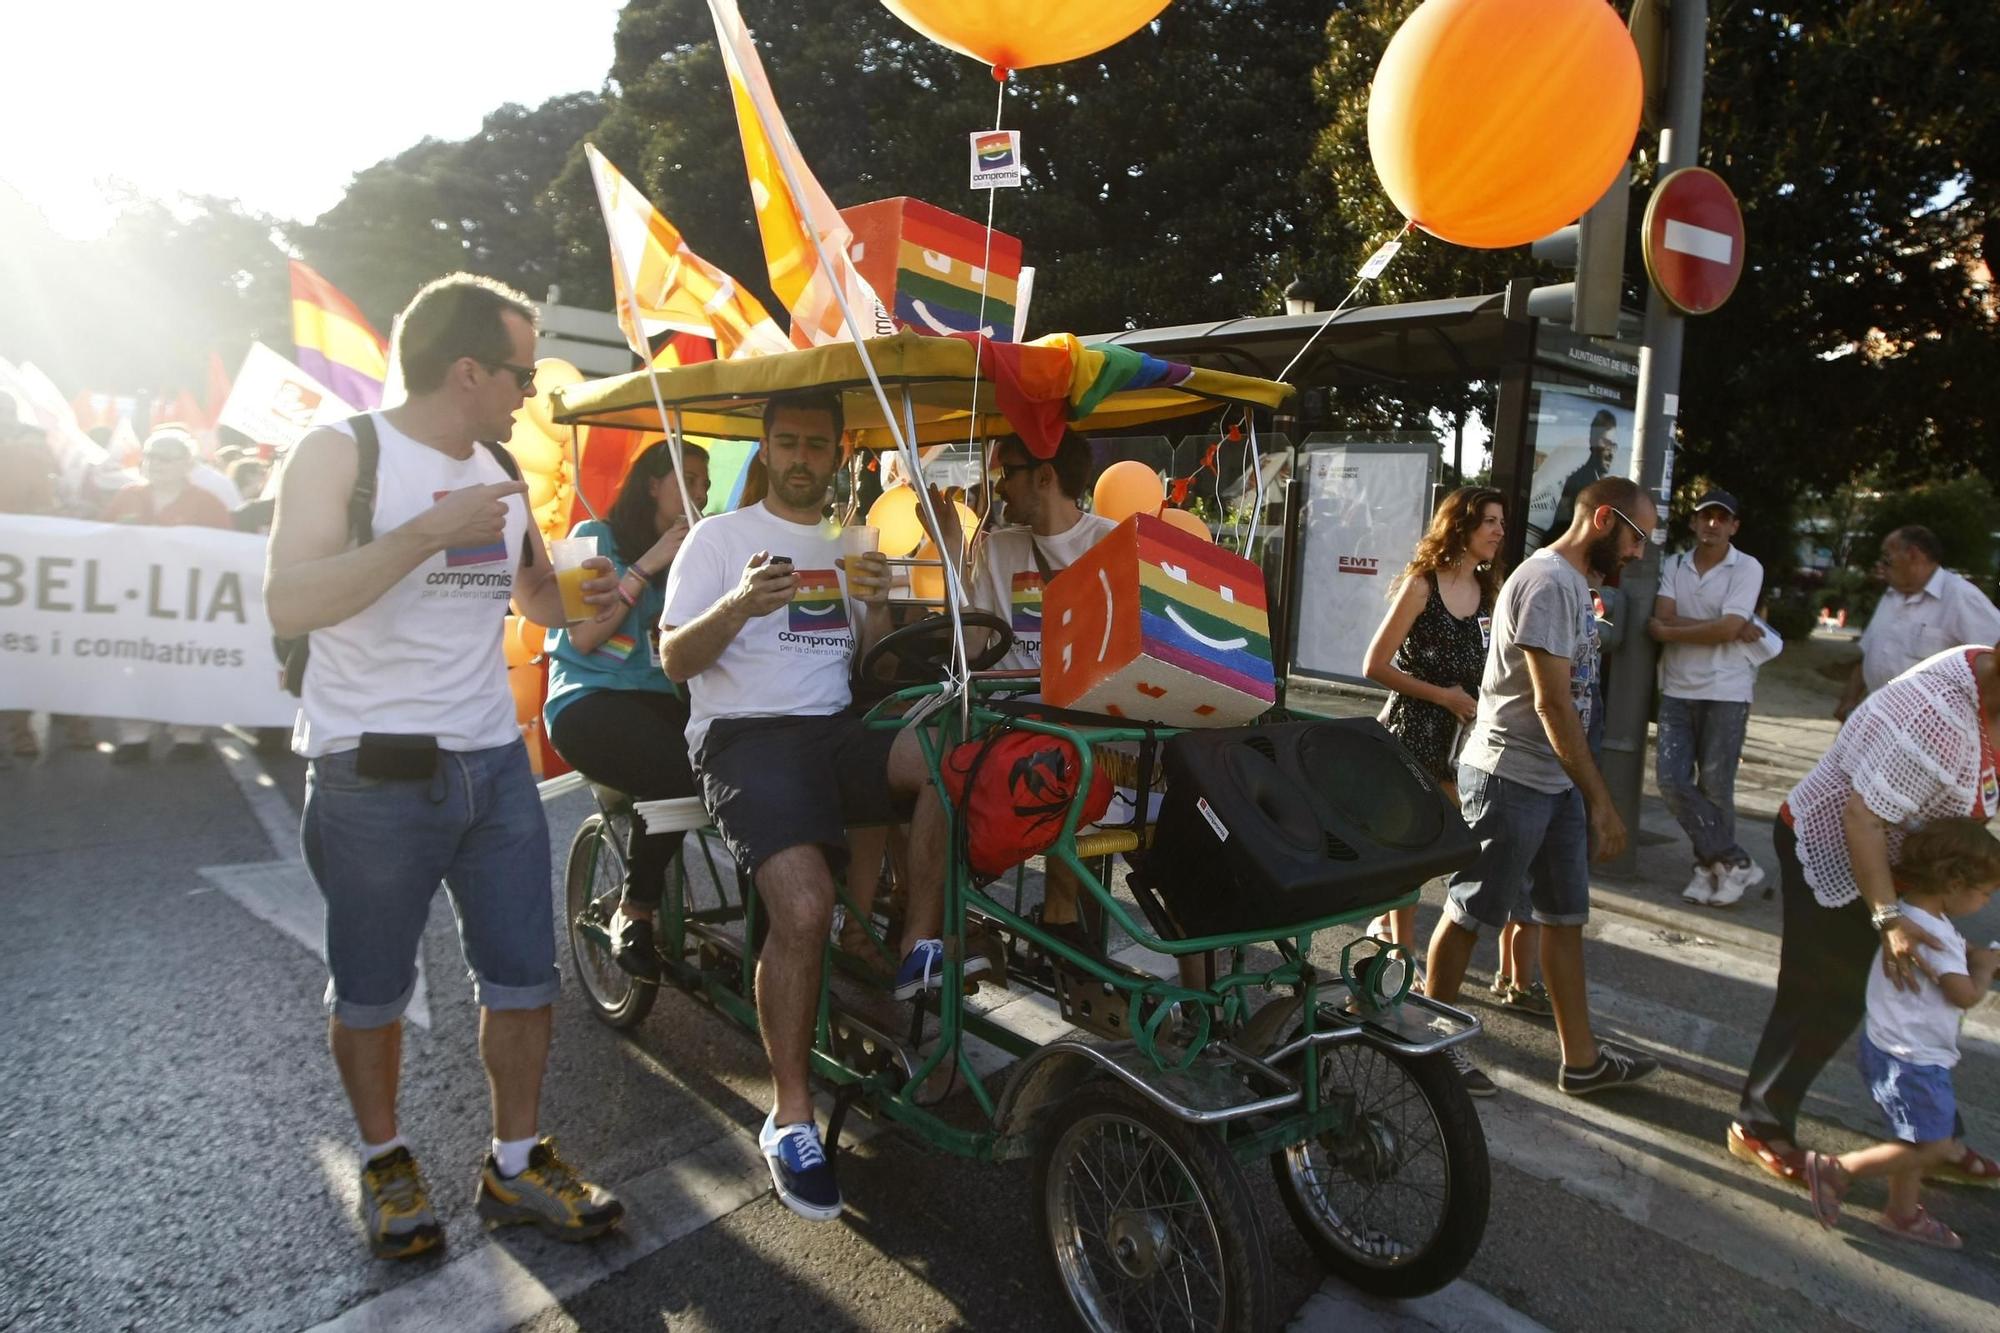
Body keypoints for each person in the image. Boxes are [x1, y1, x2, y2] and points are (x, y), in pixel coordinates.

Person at [265, 273, 622, 1260]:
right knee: (372, 989)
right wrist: (428, 529)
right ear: (467, 369)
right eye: (522, 369)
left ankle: (514, 1165)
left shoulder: (503, 461)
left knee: (523, 977)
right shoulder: (344, 453)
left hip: (493, 766)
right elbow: (288, 600)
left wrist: (582, 587)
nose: (531, 389)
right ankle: (385, 1161)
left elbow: (535, 594)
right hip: (370, 772)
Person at [660, 391, 987, 1223]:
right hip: (744, 737)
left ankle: (916, 945)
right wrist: (738, 603)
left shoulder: (848, 542)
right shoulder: (718, 537)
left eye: (817, 445)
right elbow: (672, 658)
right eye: (787, 443)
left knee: (950, 755)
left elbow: (869, 668)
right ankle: (791, 1114)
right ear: (765, 450)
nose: (802, 458)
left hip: (834, 728)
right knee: (802, 907)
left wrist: (875, 604)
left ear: (840, 453)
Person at [1421, 476, 1662, 1098]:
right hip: (1510, 776)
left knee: (1563, 917)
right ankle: (1429, 1046)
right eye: (1638, 539)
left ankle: (1580, 1062)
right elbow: (1554, 705)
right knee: (1473, 910)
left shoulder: (1577, 585)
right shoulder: (1549, 581)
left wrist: (1583, 792)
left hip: (1553, 779)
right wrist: (1602, 802)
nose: (1638, 555)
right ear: (1604, 520)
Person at [1730, 638, 2000, 1190]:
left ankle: (1932, 1139)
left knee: (1919, 1003)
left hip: (1907, 868)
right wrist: (1886, 919)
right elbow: (1862, 819)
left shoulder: (1986, 684)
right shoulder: (1938, 715)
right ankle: (1759, 1123)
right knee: (1825, 996)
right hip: (1835, 847)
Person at [544, 441, 709, 979]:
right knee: (673, 773)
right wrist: (649, 563)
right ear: (652, 484)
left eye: (703, 483)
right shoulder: (587, 539)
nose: (698, 493)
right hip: (588, 700)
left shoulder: (694, 554)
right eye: (686, 478)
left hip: (659, 703)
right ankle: (635, 908)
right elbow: (586, 635)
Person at [1800, 819, 2000, 1250]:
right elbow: (1964, 994)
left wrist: (1977, 956)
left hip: (1892, 1047)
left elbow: (1952, 951)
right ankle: (1839, 1170)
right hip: (1914, 1060)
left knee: (1914, 1137)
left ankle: (1902, 1215)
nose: (1987, 902)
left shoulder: (1911, 913)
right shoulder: (1933, 935)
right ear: (1954, 882)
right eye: (1985, 893)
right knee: (1933, 1146)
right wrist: (1982, 970)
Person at [1361, 488, 1512, 975]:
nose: (1498, 531)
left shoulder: (1492, 593)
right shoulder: (1422, 585)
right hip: (1414, 734)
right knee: (1414, 845)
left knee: (1452, 846)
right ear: (1461, 526)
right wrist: (1442, 695)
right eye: (1489, 521)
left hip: (1466, 741)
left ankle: (1392, 926)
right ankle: (1402, 954)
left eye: (1501, 522)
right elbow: (1374, 665)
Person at [1648, 489, 1770, 907]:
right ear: (1694, 523)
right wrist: (1719, 626)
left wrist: (1679, 630)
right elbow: (1665, 620)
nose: (1713, 524)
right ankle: (1733, 861)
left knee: (1716, 786)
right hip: (1678, 688)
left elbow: (1724, 626)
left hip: (1727, 690)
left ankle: (1707, 869)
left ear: (1734, 526)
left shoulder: (1747, 567)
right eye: (1706, 517)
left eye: (1722, 518)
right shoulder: (1675, 564)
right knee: (1671, 780)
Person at [104, 428, 235, 762]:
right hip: (133, 601)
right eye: (150, 456)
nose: (156, 463)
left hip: (185, 605)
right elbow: (101, 539)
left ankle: (187, 735)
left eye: (166, 457)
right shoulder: (127, 495)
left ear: (186, 463)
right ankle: (135, 736)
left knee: (186, 665)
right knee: (132, 665)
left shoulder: (207, 503)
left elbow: (226, 551)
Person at [1837, 524, 2000, 721]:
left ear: (1913, 554)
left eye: (1887, 557)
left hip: (1933, 731)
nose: (1881, 565)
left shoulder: (1960, 597)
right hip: (1879, 720)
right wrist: (1849, 698)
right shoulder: (1890, 596)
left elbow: (1995, 662)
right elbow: (1868, 655)